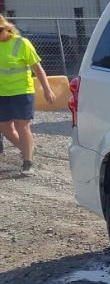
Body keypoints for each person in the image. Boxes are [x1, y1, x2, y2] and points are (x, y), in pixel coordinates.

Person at [0, 14, 55, 175]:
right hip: (2, 93)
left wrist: (47, 89)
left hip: (22, 92)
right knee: (5, 128)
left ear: (7, 28)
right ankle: (28, 149)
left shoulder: (22, 43)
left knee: (22, 126)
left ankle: (27, 162)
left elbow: (37, 68)